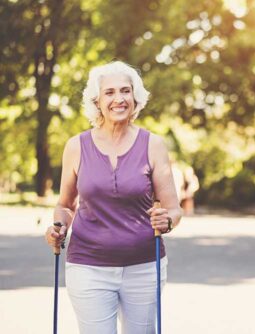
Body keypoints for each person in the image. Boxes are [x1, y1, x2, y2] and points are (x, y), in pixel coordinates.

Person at [44, 61, 182, 333]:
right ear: (97, 101)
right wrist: (58, 227)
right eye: (109, 92)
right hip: (88, 266)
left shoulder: (153, 145)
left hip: (144, 266)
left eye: (125, 91)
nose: (119, 98)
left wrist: (166, 221)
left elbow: (173, 209)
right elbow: (65, 205)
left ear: (135, 97)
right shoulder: (76, 146)